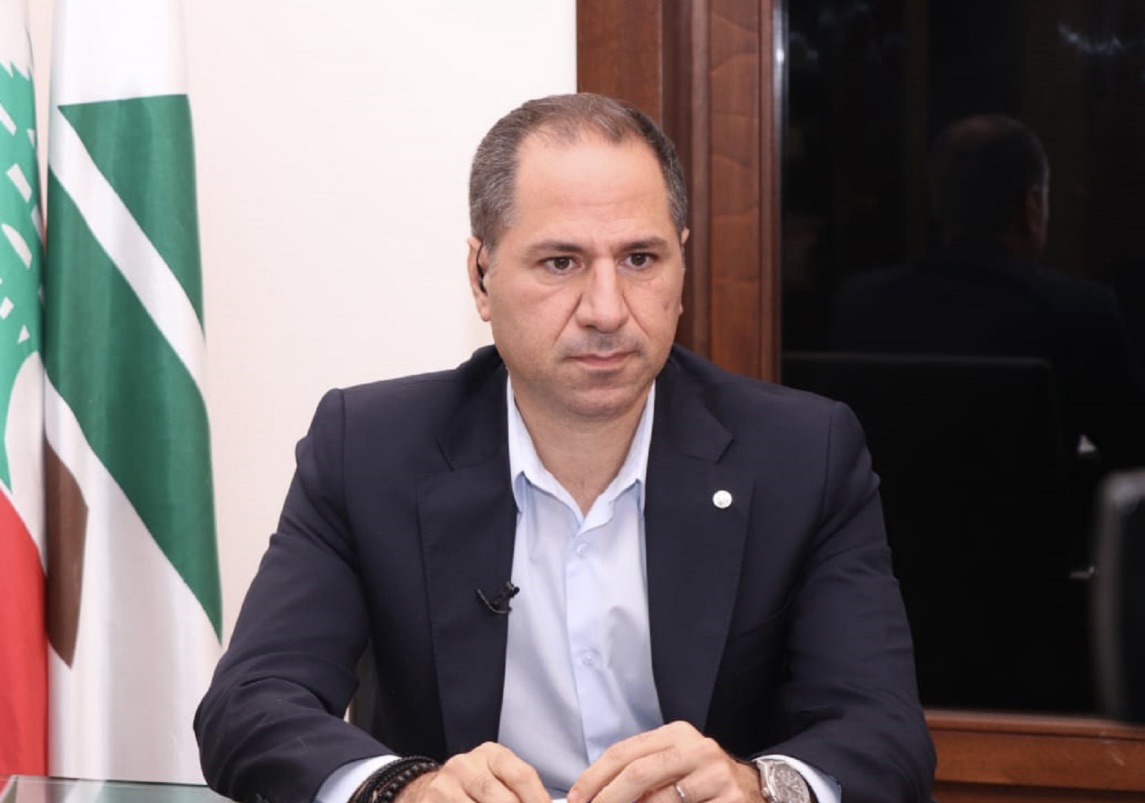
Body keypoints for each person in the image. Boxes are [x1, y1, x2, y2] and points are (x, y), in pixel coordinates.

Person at [195, 93, 935, 803]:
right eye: (561, 262)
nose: (606, 310)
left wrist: (756, 787)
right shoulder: (369, 448)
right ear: (481, 276)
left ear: (680, 268)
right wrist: (407, 789)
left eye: (639, 259)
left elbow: (884, 733)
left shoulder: (802, 455)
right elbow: (250, 703)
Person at [830, 114, 1145, 470]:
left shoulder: (859, 304)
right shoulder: (1080, 311)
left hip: (886, 510)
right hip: (1031, 509)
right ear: (1033, 204)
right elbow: (1133, 451)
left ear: (939, 202)